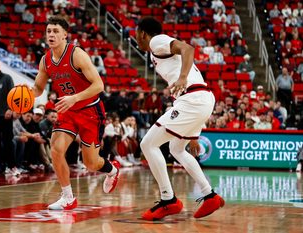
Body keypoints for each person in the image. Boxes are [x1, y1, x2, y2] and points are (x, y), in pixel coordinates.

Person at [135, 17, 225, 220]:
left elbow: (188, 49)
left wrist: (182, 77)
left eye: (136, 34)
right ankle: (209, 194)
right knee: (176, 149)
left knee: (148, 144)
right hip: (200, 99)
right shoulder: (155, 51)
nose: (136, 39)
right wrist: (194, 132)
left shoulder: (156, 41)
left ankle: (169, 200)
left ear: (142, 33)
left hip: (192, 99)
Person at [30, 16, 120, 210]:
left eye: (55, 31)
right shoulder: (45, 60)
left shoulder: (76, 54)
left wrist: (74, 98)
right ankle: (68, 197)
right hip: (67, 111)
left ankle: (112, 170)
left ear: (64, 35)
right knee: (56, 149)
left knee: (91, 163)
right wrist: (27, 93)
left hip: (90, 111)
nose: (51, 34)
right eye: (49, 31)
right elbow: (38, 87)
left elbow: (98, 85)